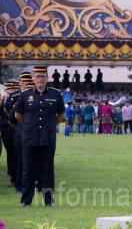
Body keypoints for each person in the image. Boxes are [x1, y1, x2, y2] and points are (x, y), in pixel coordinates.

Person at [13, 66, 65, 206]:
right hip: (30, 138)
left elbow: (61, 115)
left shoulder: (55, 94)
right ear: (33, 78)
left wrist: (51, 124)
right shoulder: (25, 95)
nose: (40, 79)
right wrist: (29, 126)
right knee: (28, 171)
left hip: (47, 138)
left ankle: (49, 201)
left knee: (48, 171)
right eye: (37, 76)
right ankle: (26, 201)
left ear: (47, 78)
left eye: (43, 76)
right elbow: (18, 115)